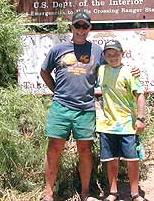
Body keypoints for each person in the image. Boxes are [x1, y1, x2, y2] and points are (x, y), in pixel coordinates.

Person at [40, 11, 103, 201]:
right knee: (54, 149)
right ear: (72, 27)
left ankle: (85, 193)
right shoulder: (58, 49)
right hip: (61, 107)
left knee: (85, 151)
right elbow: (44, 72)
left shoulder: (97, 51)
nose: (81, 30)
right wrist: (56, 91)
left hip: (85, 109)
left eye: (85, 26)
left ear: (89, 28)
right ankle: (49, 194)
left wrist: (132, 69)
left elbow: (113, 67)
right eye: (78, 26)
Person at [96, 40, 147, 201]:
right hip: (107, 125)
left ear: (122, 54)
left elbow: (140, 95)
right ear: (104, 56)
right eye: (109, 54)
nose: (113, 57)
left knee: (132, 160)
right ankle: (113, 192)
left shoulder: (130, 72)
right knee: (111, 160)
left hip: (127, 124)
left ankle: (135, 194)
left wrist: (140, 118)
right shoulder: (101, 70)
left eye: (116, 54)